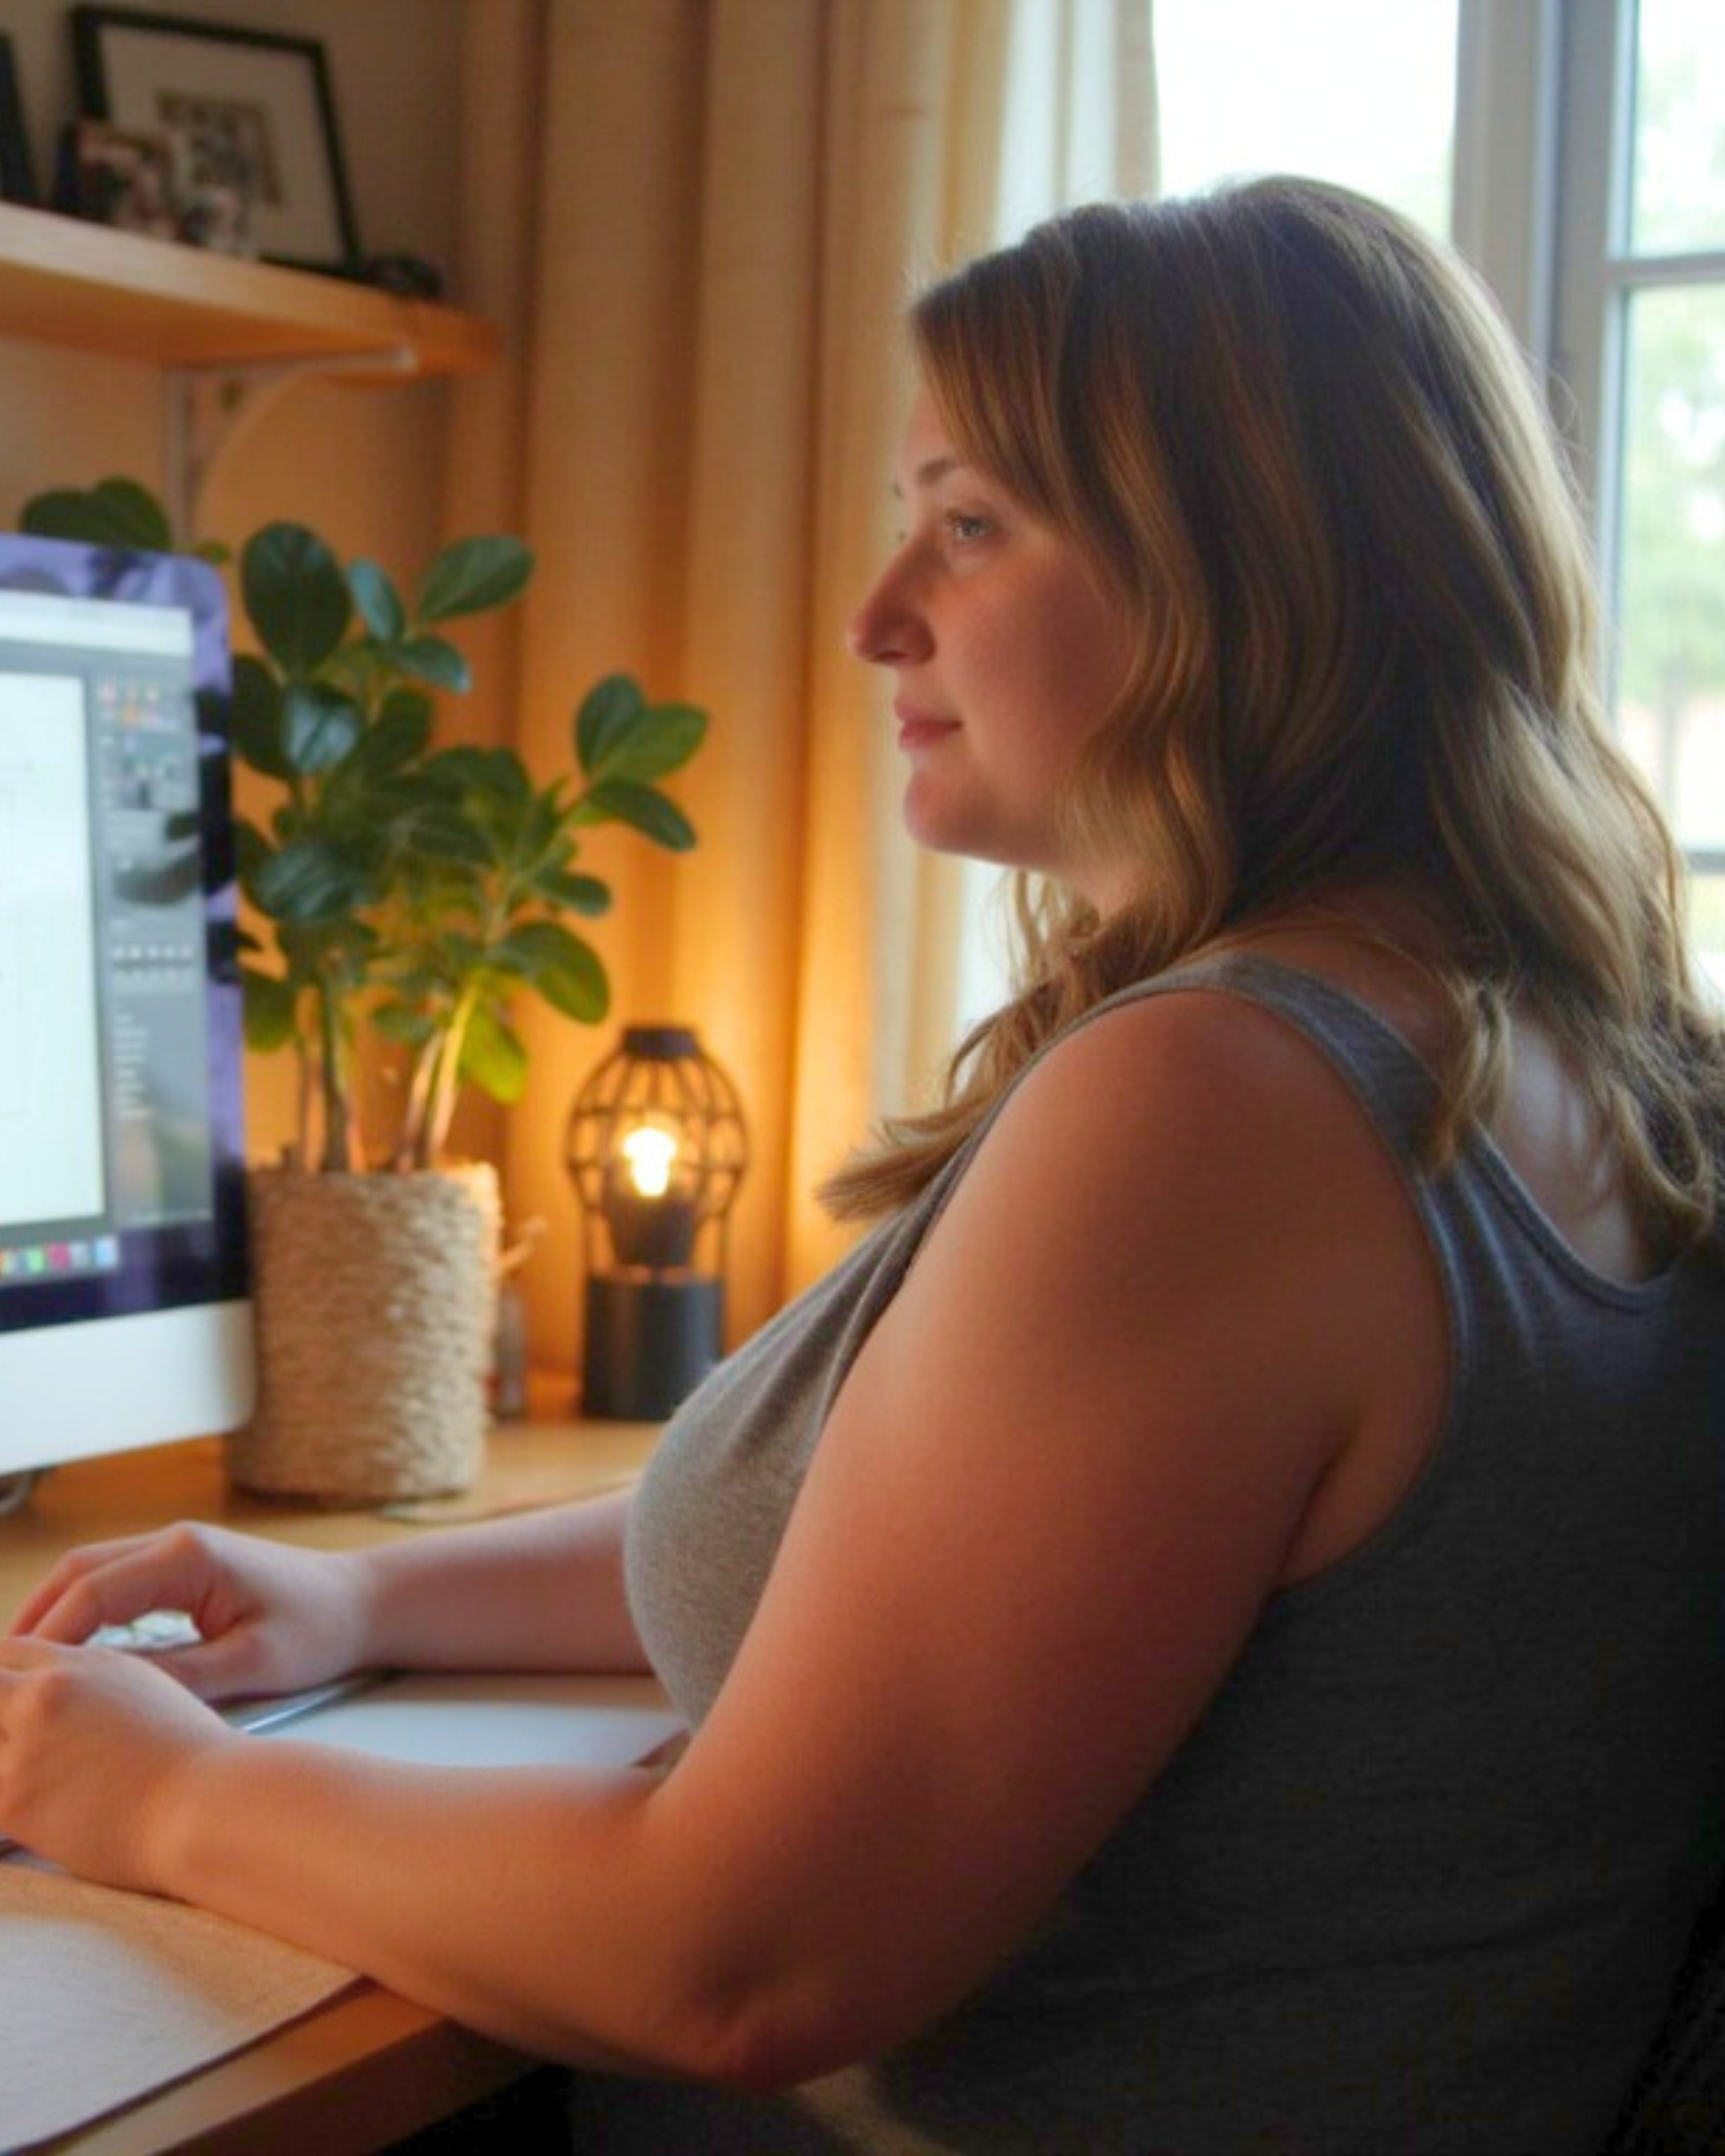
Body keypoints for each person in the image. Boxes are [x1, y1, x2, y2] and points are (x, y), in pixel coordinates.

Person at [6, 177, 1725, 2154]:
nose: (876, 615)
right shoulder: (1563, 1044)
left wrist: (160, 1794)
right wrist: (365, 1603)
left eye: (970, 525)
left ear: (1243, 574)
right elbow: (943, 1558)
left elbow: (741, 1963)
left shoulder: (1227, 1105)